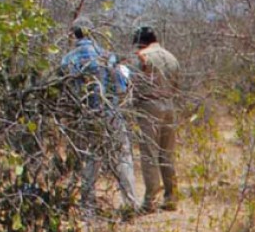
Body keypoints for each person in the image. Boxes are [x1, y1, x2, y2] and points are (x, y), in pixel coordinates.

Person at [59, 17, 138, 215]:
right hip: (111, 113)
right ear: (92, 32)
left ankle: (88, 208)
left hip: (86, 116)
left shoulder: (68, 60)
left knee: (89, 160)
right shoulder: (108, 56)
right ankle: (130, 204)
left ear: (73, 34)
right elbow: (121, 87)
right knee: (123, 157)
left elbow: (65, 92)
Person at [130, 25, 180, 212]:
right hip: (169, 105)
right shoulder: (172, 57)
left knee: (149, 154)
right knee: (167, 154)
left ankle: (150, 200)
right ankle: (171, 198)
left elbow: (134, 84)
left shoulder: (144, 57)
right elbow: (176, 86)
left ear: (141, 42)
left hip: (149, 107)